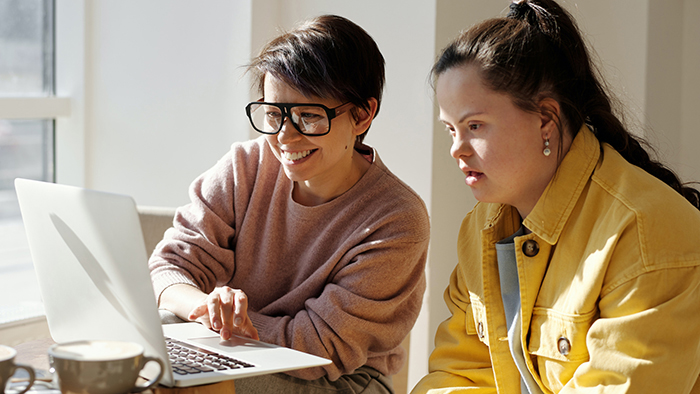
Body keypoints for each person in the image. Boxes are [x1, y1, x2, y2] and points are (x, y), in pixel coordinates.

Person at [412, 0, 700, 393]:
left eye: (474, 126)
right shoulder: (481, 227)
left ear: (545, 119)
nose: (456, 149)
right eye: (450, 130)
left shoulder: (647, 231)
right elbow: (458, 374)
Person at [148, 14, 430, 393]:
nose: (284, 137)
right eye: (273, 114)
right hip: (233, 348)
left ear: (362, 115)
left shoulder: (396, 219)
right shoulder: (244, 167)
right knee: (135, 355)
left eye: (309, 117)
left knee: (187, 384)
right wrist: (206, 308)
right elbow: (169, 267)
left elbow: (317, 346)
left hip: (340, 379)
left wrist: (233, 322)